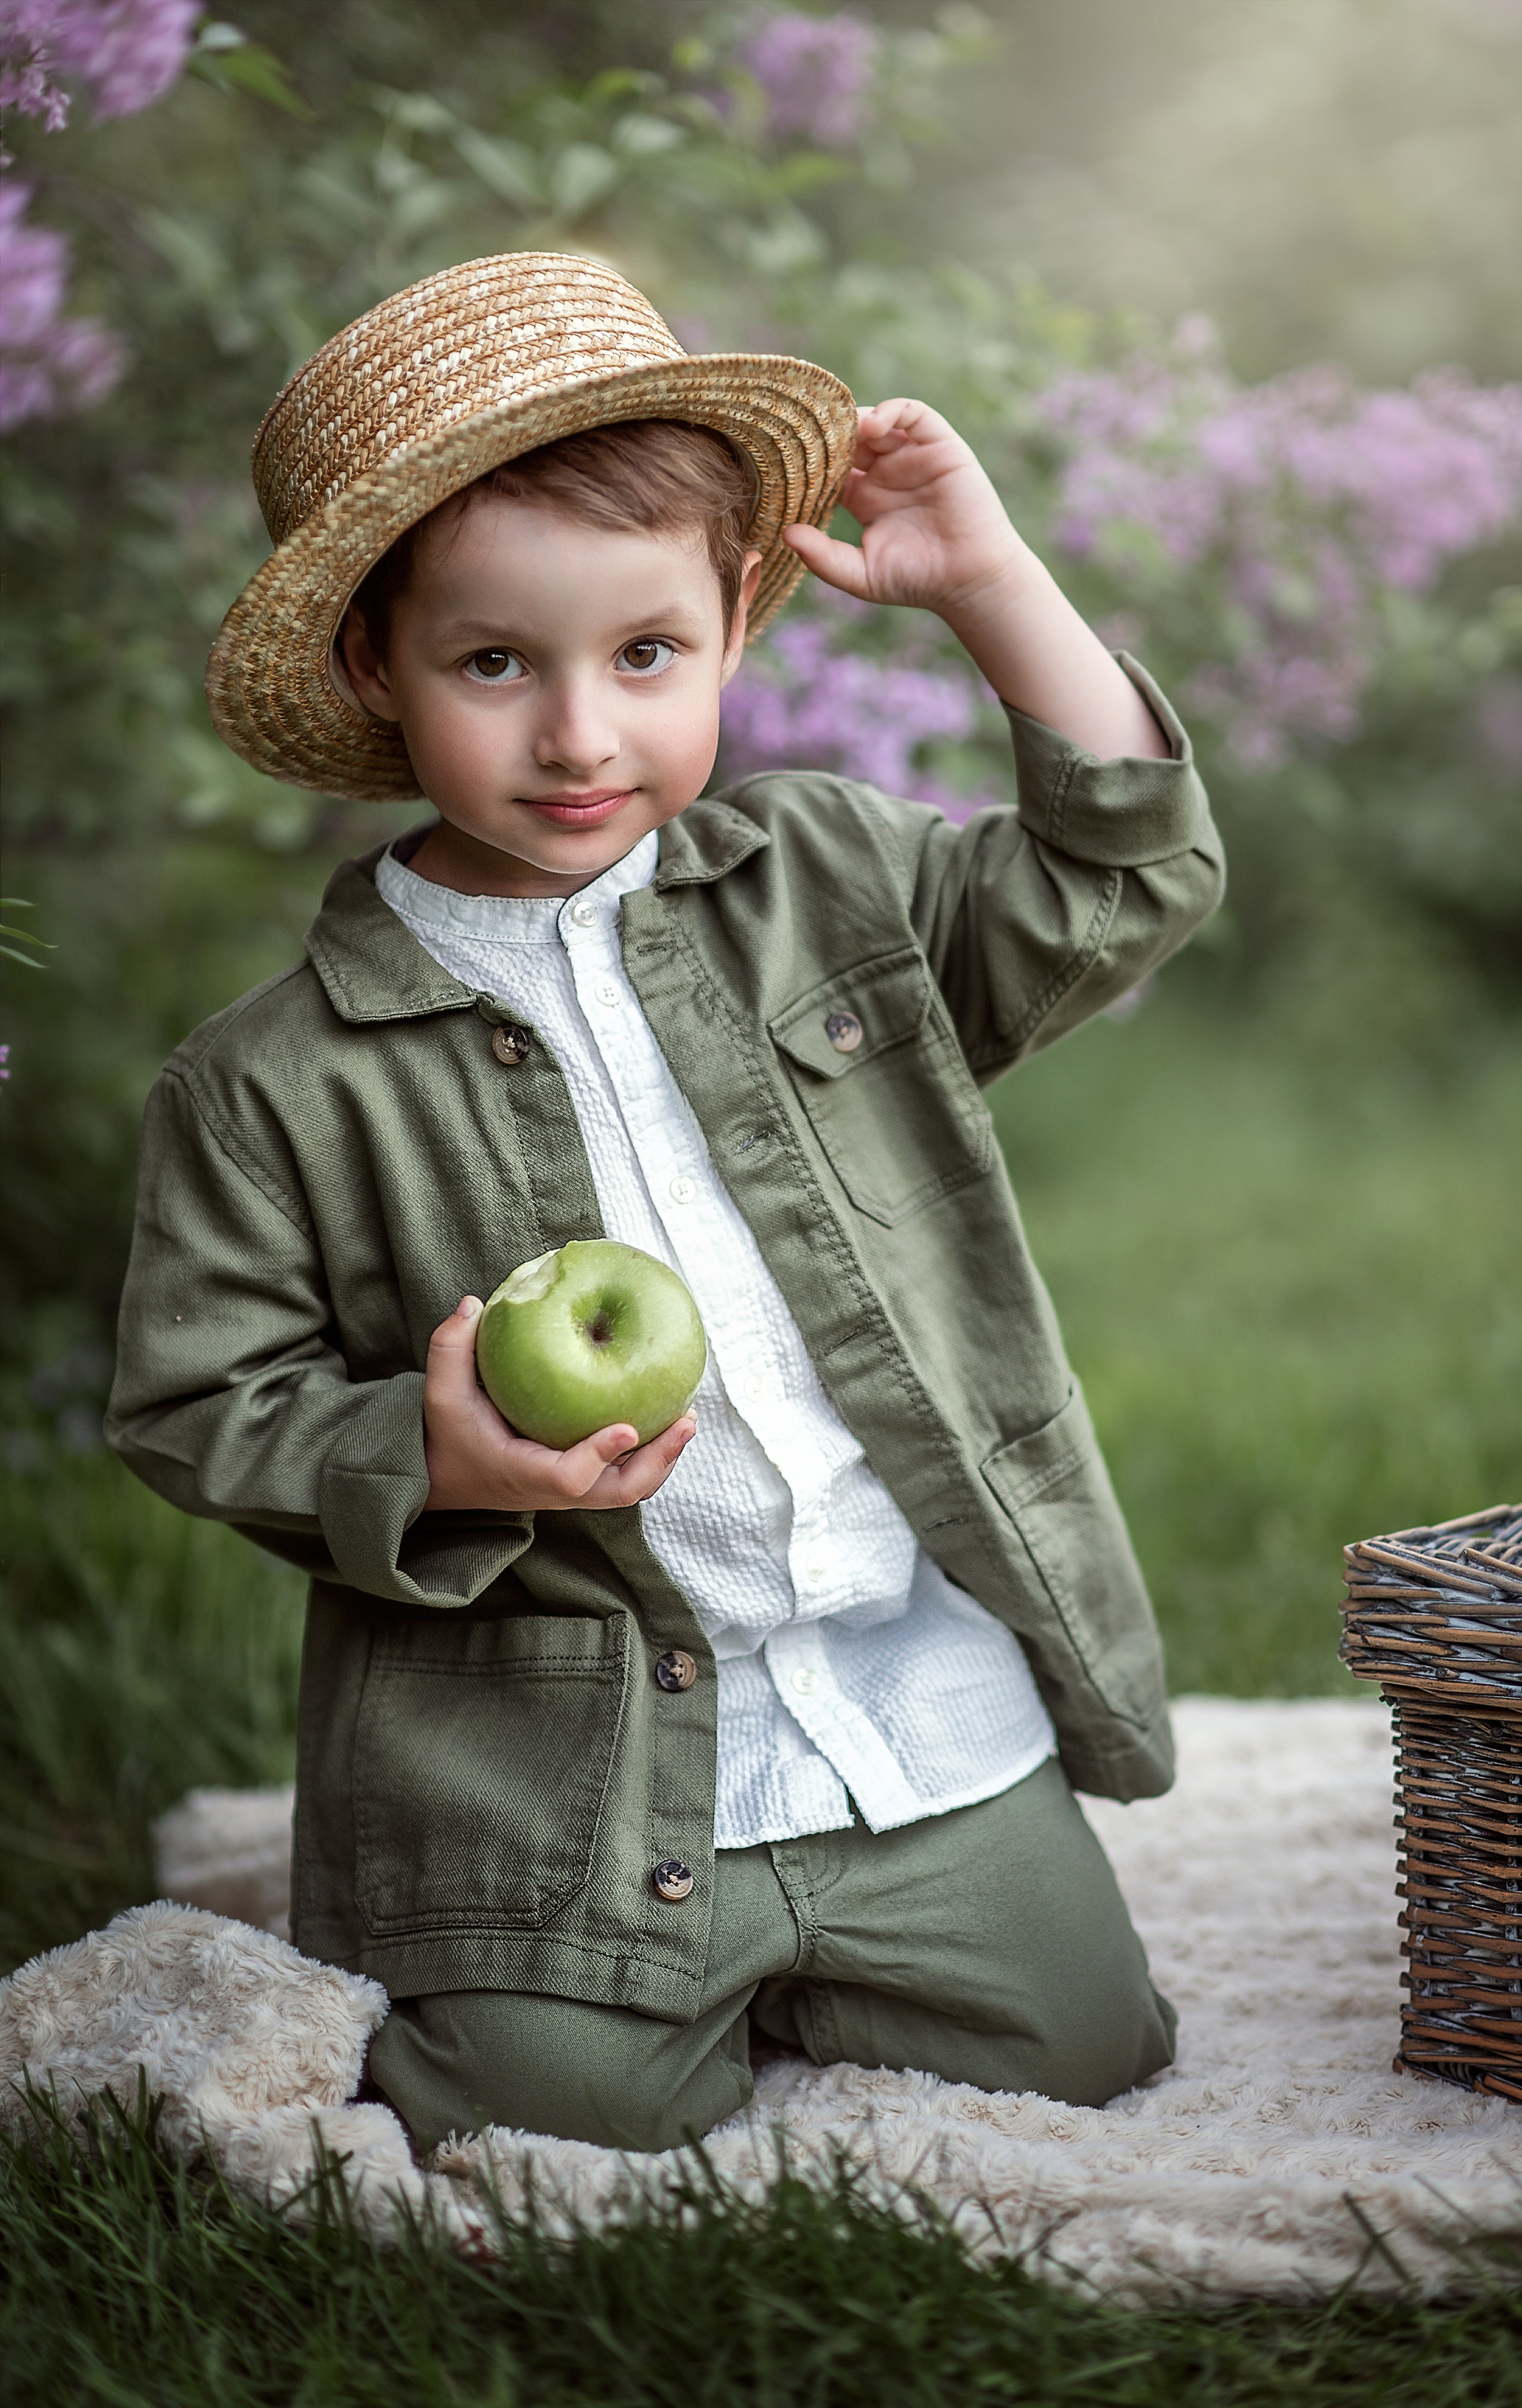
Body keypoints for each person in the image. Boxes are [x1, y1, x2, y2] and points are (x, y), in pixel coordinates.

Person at [108, 252, 1225, 2156]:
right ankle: (595, 1982)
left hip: (902, 1695)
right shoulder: (269, 1075)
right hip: (552, 1755)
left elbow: (1116, 882)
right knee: (543, 2118)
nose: (577, 737)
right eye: (493, 663)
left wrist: (989, 585)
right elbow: (199, 1394)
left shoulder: (829, 881)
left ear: (733, 626)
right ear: (377, 667)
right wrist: (435, 1452)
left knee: (1088, 2050)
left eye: (646, 655)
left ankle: (857, 1923)